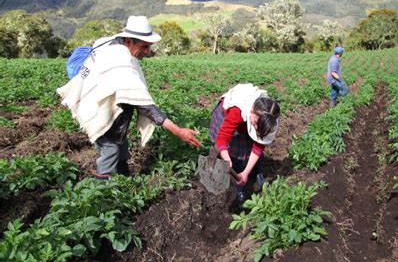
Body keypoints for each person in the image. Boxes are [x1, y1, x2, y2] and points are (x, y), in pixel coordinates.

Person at [57, 15, 201, 179]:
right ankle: (100, 192)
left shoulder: (111, 43)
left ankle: (124, 180)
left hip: (103, 108)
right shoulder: (121, 60)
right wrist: (178, 131)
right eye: (144, 46)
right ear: (129, 41)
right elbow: (145, 105)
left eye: (149, 47)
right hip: (96, 112)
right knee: (110, 150)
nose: (147, 52)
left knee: (121, 146)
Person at [209, 83, 280, 208]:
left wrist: (246, 172)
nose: (257, 128)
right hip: (228, 116)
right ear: (251, 111)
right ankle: (239, 187)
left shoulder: (270, 117)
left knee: (250, 147)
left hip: (249, 118)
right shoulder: (237, 110)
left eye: (260, 127)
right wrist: (227, 159)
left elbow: (259, 145)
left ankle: (255, 172)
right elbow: (222, 139)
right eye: (255, 123)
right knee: (235, 153)